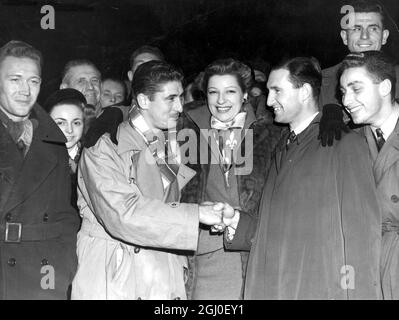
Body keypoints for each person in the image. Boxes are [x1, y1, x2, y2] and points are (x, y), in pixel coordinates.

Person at [224, 56, 382, 299]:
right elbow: (281, 229)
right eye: (268, 91)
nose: (268, 101)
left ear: (305, 92)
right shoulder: (281, 148)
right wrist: (237, 221)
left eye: (277, 90)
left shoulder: (344, 144)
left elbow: (361, 238)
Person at [71, 60, 227, 300]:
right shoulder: (104, 145)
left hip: (160, 275)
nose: (180, 107)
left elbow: (165, 207)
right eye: (170, 99)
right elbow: (124, 214)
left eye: (180, 98)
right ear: (143, 101)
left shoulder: (169, 142)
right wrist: (195, 214)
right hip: (115, 276)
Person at [185, 58, 282, 299]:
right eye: (213, 92)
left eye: (230, 91)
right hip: (206, 258)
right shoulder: (187, 132)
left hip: (258, 254)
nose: (220, 100)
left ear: (245, 94)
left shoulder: (271, 133)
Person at [0, 40, 80, 299]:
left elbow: (64, 215)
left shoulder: (52, 140)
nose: (25, 90)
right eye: (15, 79)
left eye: (33, 81)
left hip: (40, 273)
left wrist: (62, 269)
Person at [340, 50, 399, 299]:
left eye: (356, 89)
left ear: (385, 87)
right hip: (366, 268)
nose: (346, 100)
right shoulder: (347, 144)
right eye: (343, 92)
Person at [319, 0, 399, 146]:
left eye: (373, 29)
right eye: (356, 29)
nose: (364, 36)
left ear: (385, 36)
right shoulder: (322, 82)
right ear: (344, 36)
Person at [45, 88, 87, 210]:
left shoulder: (93, 156)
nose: (69, 130)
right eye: (61, 123)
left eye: (76, 123)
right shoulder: (38, 158)